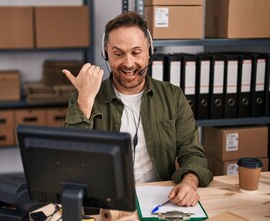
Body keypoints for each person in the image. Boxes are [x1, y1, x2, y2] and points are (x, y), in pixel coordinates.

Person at [62, 11, 213, 207]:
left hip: (160, 201)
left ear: (149, 50)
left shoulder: (172, 96)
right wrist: (85, 100)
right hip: (103, 201)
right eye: (118, 53)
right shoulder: (86, 95)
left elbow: (192, 153)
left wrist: (189, 182)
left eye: (136, 52)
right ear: (105, 53)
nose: (129, 63)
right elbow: (69, 160)